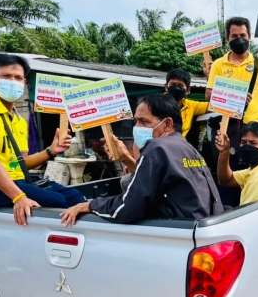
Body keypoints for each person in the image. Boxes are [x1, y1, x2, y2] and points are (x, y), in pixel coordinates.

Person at [0, 53, 85, 227]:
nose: (12, 81)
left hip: (19, 179)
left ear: (24, 82)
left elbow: (20, 163)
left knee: (76, 198)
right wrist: (19, 197)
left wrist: (50, 151)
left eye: (18, 77)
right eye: (6, 76)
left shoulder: (18, 119)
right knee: (57, 201)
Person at [60, 95, 223, 226]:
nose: (137, 127)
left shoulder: (157, 147)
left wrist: (89, 205)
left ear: (167, 124)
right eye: (135, 121)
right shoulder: (187, 147)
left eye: (144, 121)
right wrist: (128, 159)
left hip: (178, 232)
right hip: (198, 226)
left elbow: (127, 207)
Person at [205, 16, 258, 124]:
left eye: (243, 35)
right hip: (229, 126)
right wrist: (237, 97)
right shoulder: (218, 64)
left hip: (256, 126)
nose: (239, 39)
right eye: (234, 36)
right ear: (227, 38)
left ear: (249, 37)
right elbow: (208, 95)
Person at [214, 122, 258, 206]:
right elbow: (227, 180)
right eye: (243, 142)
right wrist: (224, 151)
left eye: (253, 143)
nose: (247, 147)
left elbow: (247, 217)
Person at [164, 69, 209, 137]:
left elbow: (216, 105)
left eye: (180, 85)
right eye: (173, 84)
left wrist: (209, 77)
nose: (176, 88)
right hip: (158, 145)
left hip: (179, 146)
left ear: (188, 90)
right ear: (166, 87)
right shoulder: (155, 103)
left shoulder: (191, 105)